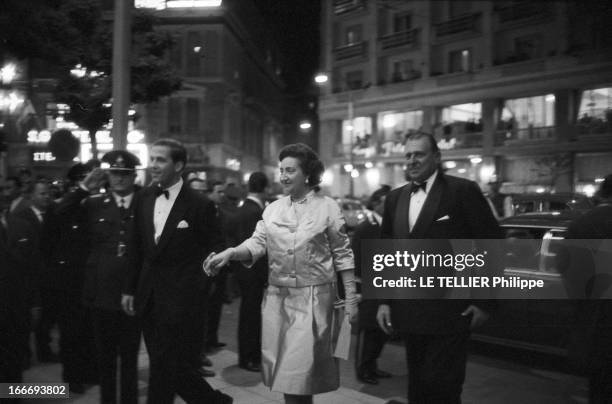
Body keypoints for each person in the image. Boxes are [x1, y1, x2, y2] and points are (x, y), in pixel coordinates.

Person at [204, 143, 359, 404]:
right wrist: (231, 252)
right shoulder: (273, 209)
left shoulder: (328, 207)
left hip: (314, 301)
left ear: (308, 173)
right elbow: (257, 243)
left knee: (301, 376)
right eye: (281, 170)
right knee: (287, 376)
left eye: (290, 170)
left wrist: (352, 298)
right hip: (277, 300)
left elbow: (343, 254)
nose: (283, 176)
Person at [376, 132, 501, 404]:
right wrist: (384, 301)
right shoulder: (395, 198)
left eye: (418, 154)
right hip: (409, 311)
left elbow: (491, 244)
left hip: (450, 312)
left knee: (443, 388)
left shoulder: (462, 190)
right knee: (418, 386)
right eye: (408, 155)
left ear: (437, 157)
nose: (412, 160)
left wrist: (483, 301)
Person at [121, 138, 231, 404]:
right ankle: (212, 401)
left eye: (160, 159)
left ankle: (212, 401)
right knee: (164, 364)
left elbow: (216, 249)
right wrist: (128, 288)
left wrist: (199, 286)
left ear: (178, 165)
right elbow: (136, 247)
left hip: (182, 301)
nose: (153, 165)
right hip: (148, 297)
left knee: (166, 362)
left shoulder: (199, 204)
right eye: (153, 158)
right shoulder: (143, 197)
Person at [58, 151, 142, 402]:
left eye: (125, 174)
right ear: (108, 174)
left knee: (129, 358)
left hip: (133, 291)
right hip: (102, 293)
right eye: (115, 173)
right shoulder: (94, 202)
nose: (119, 179)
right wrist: (84, 188)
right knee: (105, 358)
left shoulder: (145, 202)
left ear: (134, 176)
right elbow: (61, 213)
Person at [564, 174, 612, 403]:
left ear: (602, 193)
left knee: (600, 386)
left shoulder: (581, 224)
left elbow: (570, 274)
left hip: (596, 320)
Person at [353, 185, 392, 385]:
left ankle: (373, 365)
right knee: (368, 329)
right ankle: (363, 369)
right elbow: (356, 260)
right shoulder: (365, 227)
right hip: (369, 286)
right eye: (387, 202)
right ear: (376, 203)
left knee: (380, 330)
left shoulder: (390, 225)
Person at [235, 172, 269, 372]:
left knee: (248, 314)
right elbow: (259, 247)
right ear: (265, 188)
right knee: (251, 316)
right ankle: (249, 357)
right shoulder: (255, 212)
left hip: (244, 271)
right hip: (252, 271)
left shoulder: (244, 209)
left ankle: (248, 355)